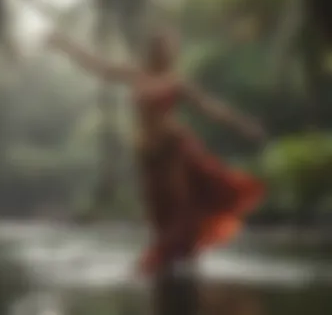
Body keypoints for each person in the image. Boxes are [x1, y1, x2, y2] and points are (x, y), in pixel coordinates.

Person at [47, 30, 265, 276]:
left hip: (173, 149)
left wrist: (243, 124)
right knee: (159, 212)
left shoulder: (176, 82)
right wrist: (66, 46)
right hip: (148, 157)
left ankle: (180, 265)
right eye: (160, 48)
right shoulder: (136, 74)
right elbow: (99, 66)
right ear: (151, 51)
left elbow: (210, 108)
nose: (165, 53)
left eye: (168, 49)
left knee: (181, 207)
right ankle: (173, 267)